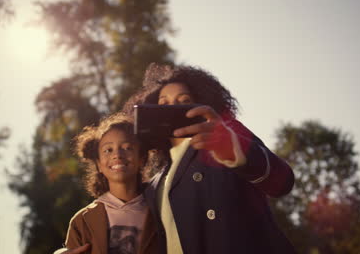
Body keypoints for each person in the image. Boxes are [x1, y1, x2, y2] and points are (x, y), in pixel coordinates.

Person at [122, 63, 297, 254]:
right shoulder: (155, 183)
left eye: (184, 100)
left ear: (201, 105)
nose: (173, 108)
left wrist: (232, 147)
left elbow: (282, 181)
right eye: (164, 104)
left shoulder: (226, 135)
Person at [54, 113, 157, 254]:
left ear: (142, 159)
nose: (117, 155)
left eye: (127, 148)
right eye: (108, 150)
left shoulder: (160, 212)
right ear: (99, 164)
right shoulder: (83, 221)